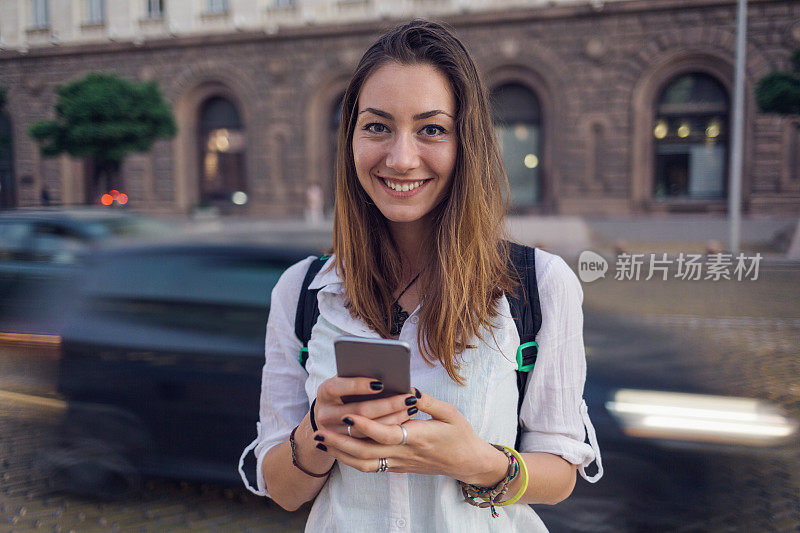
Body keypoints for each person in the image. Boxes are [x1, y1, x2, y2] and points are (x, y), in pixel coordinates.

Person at [239, 19, 602, 531]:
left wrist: (476, 461)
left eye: (431, 129)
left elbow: (561, 472)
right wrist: (319, 431)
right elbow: (282, 490)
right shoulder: (302, 291)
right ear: (351, 140)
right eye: (377, 126)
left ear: (466, 143)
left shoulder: (539, 284)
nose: (401, 158)